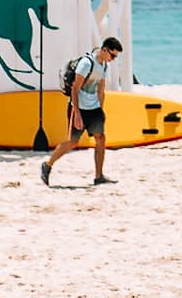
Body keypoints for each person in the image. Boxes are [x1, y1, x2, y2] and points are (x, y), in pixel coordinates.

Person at [41, 38, 123, 188]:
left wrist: (100, 110)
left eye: (115, 57)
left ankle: (99, 176)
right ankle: (47, 165)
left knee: (101, 138)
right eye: (113, 55)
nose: (113, 59)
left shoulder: (104, 65)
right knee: (73, 142)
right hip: (78, 108)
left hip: (94, 108)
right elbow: (75, 88)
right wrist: (77, 113)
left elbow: (101, 89)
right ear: (104, 50)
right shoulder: (86, 63)